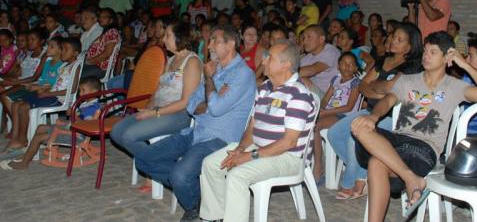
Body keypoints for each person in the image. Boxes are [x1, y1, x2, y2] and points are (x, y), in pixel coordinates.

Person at [352, 31, 477, 221]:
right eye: (425, 51)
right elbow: (388, 101)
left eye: (433, 52)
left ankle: (407, 182)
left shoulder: (454, 87)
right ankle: (410, 178)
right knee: (360, 127)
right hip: (397, 141)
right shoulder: (408, 80)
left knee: (376, 162)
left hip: (423, 149)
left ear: (447, 56)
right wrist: (373, 116)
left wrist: (464, 64)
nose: (425, 56)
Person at [130, 25, 255, 221]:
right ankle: (199, 198)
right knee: (144, 158)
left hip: (220, 138)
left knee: (181, 175)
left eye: (215, 40)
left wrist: (208, 82)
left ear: (231, 44)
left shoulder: (242, 74)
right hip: (196, 132)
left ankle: (194, 202)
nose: (209, 45)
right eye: (210, 40)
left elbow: (216, 108)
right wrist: (210, 97)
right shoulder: (214, 68)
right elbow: (191, 104)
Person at [199, 40, 316, 222]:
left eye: (269, 57)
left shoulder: (298, 94)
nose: (263, 60)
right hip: (258, 147)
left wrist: (250, 156)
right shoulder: (264, 88)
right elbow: (252, 126)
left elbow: (289, 142)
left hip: (288, 157)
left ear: (286, 65)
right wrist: (241, 147)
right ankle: (216, 216)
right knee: (210, 164)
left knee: (237, 175)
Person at [331, 22, 424, 200]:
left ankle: (353, 181)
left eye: (400, 39)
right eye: (393, 37)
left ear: (410, 46)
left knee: (355, 136)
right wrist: (377, 88)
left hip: (392, 116)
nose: (393, 41)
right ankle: (362, 170)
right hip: (371, 110)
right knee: (334, 134)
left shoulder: (411, 66)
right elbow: (362, 85)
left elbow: (390, 88)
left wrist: (374, 85)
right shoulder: (383, 60)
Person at [111, 21, 201, 164]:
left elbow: (186, 102)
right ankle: (157, 160)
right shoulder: (171, 60)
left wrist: (154, 113)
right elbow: (158, 90)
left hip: (179, 114)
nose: (164, 39)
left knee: (129, 136)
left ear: (180, 37)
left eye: (168, 35)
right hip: (157, 110)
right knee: (116, 132)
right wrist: (148, 107)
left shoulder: (192, 62)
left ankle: (158, 166)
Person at [0, 76, 102, 170]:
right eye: (80, 90)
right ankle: (29, 152)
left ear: (95, 91)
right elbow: (76, 117)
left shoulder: (92, 108)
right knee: (41, 127)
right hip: (71, 128)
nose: (80, 93)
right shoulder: (86, 103)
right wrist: (70, 114)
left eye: (83, 90)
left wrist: (73, 115)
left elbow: (88, 126)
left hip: (77, 136)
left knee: (38, 137)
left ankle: (24, 163)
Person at [1, 37, 81, 155]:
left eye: (66, 50)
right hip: (49, 94)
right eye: (62, 49)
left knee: (23, 107)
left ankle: (23, 139)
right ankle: (15, 138)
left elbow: (72, 90)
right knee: (16, 104)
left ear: (75, 53)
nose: (63, 52)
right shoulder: (64, 66)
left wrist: (49, 93)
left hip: (58, 99)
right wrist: (44, 90)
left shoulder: (76, 67)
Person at [312, 52, 361, 180]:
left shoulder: (355, 83)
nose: (347, 66)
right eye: (344, 63)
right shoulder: (335, 79)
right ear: (338, 66)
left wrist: (325, 112)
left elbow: (349, 107)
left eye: (351, 64)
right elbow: (326, 99)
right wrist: (320, 109)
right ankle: (308, 160)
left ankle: (318, 166)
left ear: (356, 68)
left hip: (344, 116)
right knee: (308, 122)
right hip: (330, 112)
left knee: (316, 126)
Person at [299, 25, 340, 98]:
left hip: (329, 98)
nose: (304, 41)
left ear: (321, 39)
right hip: (315, 92)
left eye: (309, 37)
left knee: (302, 80)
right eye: (304, 38)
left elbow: (312, 70)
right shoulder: (307, 57)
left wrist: (284, 73)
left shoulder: (331, 52)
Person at [81, 8, 121, 79]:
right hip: (93, 65)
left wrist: (88, 62)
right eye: (100, 17)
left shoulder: (112, 32)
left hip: (100, 68)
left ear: (111, 20)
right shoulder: (105, 33)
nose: (100, 19)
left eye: (104, 17)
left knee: (74, 76)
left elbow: (106, 54)